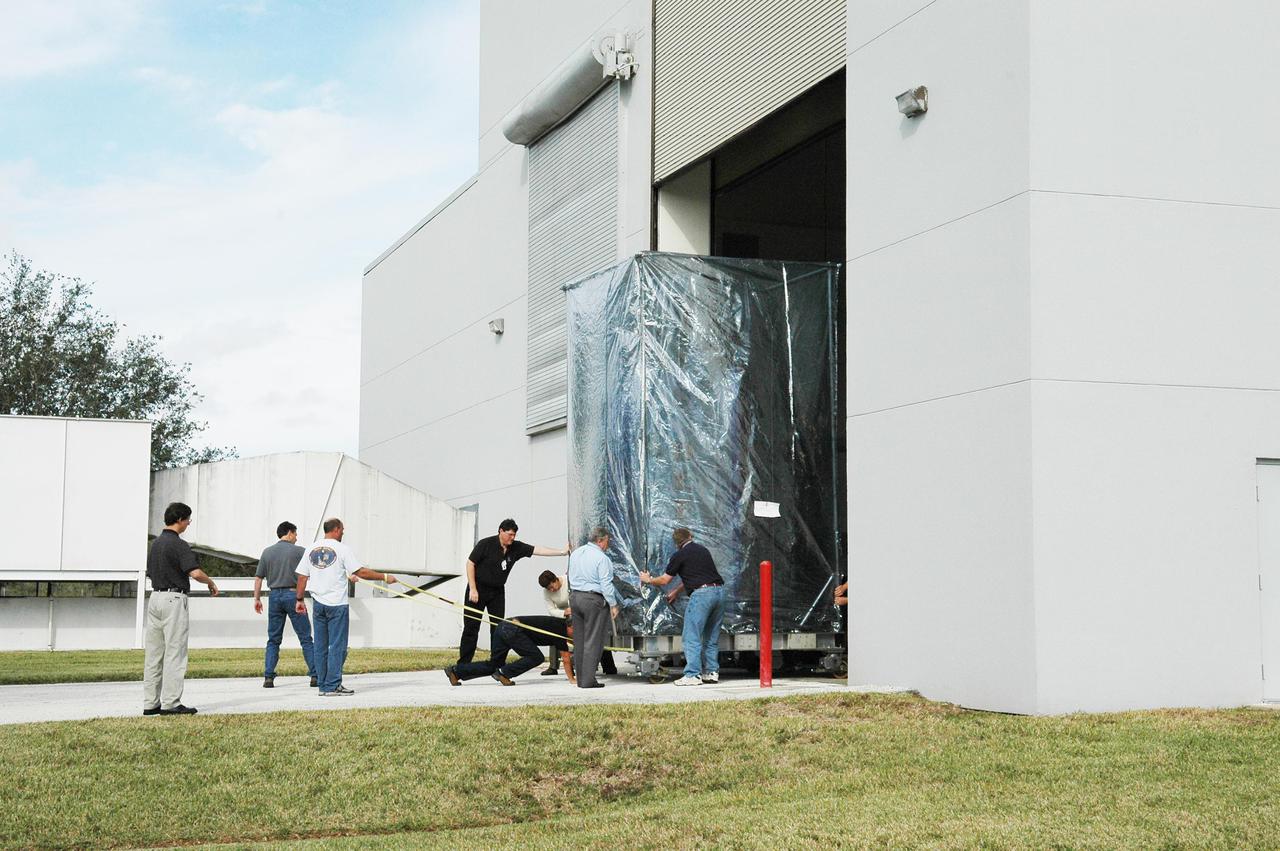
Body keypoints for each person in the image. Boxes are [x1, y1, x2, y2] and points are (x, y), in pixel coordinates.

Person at [293, 518, 397, 696]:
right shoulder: (342, 549)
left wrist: (299, 599)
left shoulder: (311, 548)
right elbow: (360, 571)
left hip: (318, 604)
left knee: (320, 646)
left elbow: (302, 577)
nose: (343, 532)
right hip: (337, 604)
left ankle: (323, 686)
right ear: (335, 529)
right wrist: (385, 577)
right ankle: (333, 685)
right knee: (337, 645)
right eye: (342, 529)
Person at [142, 502, 220, 716]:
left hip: (155, 597)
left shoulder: (155, 544)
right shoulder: (179, 545)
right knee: (175, 652)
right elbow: (195, 573)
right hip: (174, 599)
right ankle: (171, 702)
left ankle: (150, 703)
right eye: (188, 520)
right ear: (180, 520)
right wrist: (210, 582)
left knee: (154, 654)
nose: (188, 523)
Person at [457, 518, 569, 665]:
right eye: (510, 534)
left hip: (497, 591)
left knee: (498, 627)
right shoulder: (485, 544)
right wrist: (473, 588)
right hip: (477, 589)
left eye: (514, 535)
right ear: (501, 531)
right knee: (471, 627)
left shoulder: (516, 547)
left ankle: (497, 663)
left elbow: (538, 550)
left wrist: (562, 552)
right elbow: (470, 564)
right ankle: (463, 665)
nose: (512, 538)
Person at [639, 527, 725, 686]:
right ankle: (712, 672)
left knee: (691, 636)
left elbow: (664, 580)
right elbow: (698, 575)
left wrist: (648, 580)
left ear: (676, 543)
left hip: (702, 596)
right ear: (690, 536)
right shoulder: (703, 550)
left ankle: (693, 675)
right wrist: (677, 591)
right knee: (711, 637)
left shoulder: (679, 555)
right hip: (719, 592)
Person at [253, 521, 316, 689]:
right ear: (289, 533)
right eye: (295, 534)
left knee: (273, 639)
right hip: (294, 596)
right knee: (305, 638)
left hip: (274, 596)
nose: (296, 537)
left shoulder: (267, 552)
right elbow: (313, 570)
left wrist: (257, 599)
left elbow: (258, 578)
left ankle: (268, 677)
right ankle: (315, 675)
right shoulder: (300, 551)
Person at [443, 615, 575, 686]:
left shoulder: (558, 624)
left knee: (494, 664)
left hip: (503, 626)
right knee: (536, 657)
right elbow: (565, 658)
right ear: (570, 627)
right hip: (512, 630)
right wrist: (572, 679)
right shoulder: (560, 631)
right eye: (576, 631)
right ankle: (504, 673)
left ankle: (455, 671)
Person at [539, 569, 617, 678]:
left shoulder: (569, 581)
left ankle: (608, 666)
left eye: (552, 587)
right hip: (563, 615)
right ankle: (553, 666)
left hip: (578, 612)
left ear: (555, 579)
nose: (551, 590)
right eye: (548, 589)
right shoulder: (547, 592)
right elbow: (551, 610)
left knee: (594, 634)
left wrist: (574, 610)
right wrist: (564, 612)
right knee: (554, 633)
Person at [567, 525, 618, 689]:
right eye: (607, 541)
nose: (608, 544)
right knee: (593, 640)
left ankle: (581, 679)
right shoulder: (602, 558)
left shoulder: (576, 553)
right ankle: (589, 680)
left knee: (580, 640)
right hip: (593, 599)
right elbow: (606, 584)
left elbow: (569, 575)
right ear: (600, 540)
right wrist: (613, 604)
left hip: (575, 597)